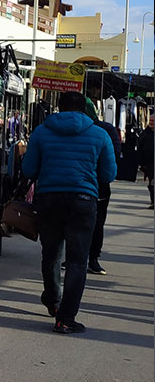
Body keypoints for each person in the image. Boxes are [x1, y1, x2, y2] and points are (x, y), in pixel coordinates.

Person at [22, 91, 117, 334]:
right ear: (84, 109)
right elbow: (108, 175)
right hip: (83, 201)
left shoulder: (42, 131)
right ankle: (65, 318)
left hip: (49, 199)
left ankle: (53, 302)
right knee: (77, 261)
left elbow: (29, 168)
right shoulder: (100, 134)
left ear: (59, 107)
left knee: (51, 254)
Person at [84, 99, 121, 275]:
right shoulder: (107, 130)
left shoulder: (105, 130)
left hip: (93, 186)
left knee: (93, 224)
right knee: (94, 224)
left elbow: (112, 157)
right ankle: (88, 258)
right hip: (95, 187)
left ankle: (89, 258)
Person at [138, 117, 154, 209]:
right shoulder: (145, 133)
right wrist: (141, 163)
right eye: (150, 121)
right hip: (149, 163)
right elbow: (140, 147)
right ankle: (153, 201)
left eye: (153, 121)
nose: (151, 122)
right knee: (152, 183)